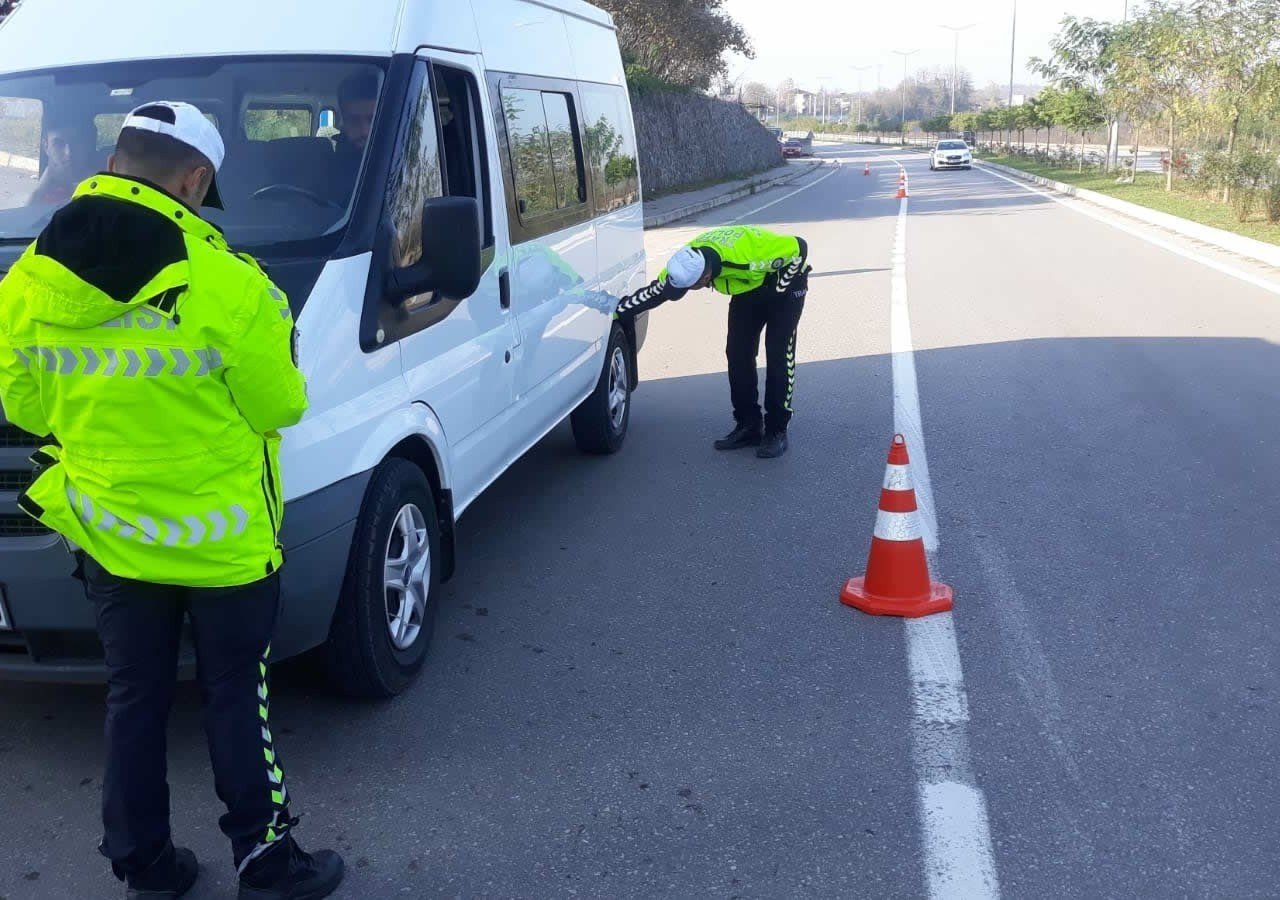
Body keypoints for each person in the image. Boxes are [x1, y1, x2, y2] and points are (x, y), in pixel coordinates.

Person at [0, 102, 342, 900]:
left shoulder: (26, 279)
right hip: (223, 541)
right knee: (236, 694)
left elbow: (25, 407)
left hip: (112, 535)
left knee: (133, 696)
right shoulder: (231, 283)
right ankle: (266, 863)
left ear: (114, 163)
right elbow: (281, 405)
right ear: (193, 180)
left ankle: (146, 867)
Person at [614, 226, 810, 459]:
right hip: (749, 289)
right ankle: (749, 425)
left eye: (689, 287)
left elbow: (800, 247)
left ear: (705, 277)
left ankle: (777, 430)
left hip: (785, 289)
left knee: (778, 355)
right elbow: (657, 293)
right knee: (737, 354)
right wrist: (617, 311)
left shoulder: (747, 256)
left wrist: (779, 289)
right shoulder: (685, 261)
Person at [27, 117, 99, 207]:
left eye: (76, 143)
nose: (68, 153)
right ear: (46, 147)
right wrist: (39, 191)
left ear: (86, 146)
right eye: (58, 144)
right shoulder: (44, 190)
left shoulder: (99, 185)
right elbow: (26, 213)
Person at [334, 70, 378, 157]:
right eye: (354, 121)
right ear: (344, 123)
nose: (364, 131)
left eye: (372, 120)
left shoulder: (402, 156)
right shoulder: (327, 164)